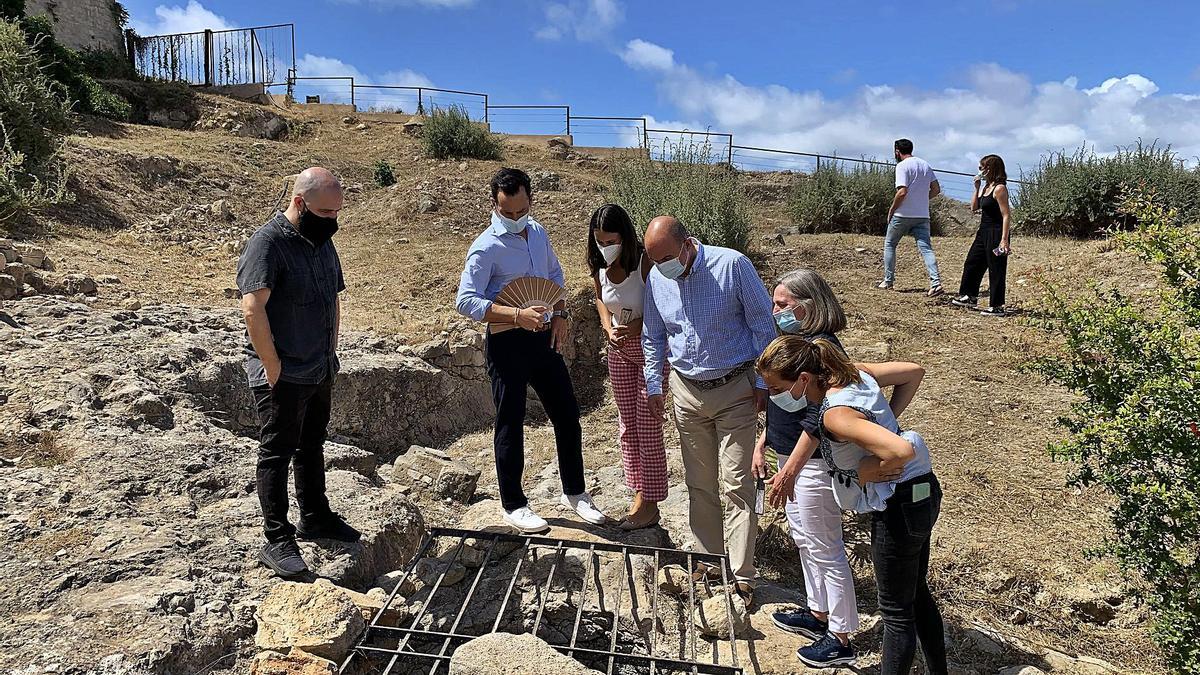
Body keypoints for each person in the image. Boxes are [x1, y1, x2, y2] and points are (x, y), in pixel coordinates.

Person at [757, 337, 946, 674]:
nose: (773, 396)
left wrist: (864, 470)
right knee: (916, 594)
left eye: (775, 388)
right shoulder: (853, 373)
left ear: (803, 379)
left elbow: (902, 452)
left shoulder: (835, 415)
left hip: (899, 504)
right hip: (923, 493)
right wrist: (881, 428)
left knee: (896, 612)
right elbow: (913, 373)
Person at [455, 167, 607, 534]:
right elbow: (465, 301)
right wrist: (516, 314)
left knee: (567, 413)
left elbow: (554, 276)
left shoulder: (538, 233)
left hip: (543, 338)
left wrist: (560, 313)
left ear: (531, 201)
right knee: (511, 421)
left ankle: (575, 491)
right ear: (494, 205)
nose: (515, 219)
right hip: (507, 342)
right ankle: (514, 504)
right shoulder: (485, 246)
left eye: (521, 211)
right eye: (507, 213)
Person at [642, 216, 777, 601]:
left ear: (688, 244)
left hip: (735, 388)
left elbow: (764, 327)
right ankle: (708, 558)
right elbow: (654, 334)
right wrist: (655, 384)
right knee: (699, 482)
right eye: (654, 261)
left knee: (737, 484)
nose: (663, 267)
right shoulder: (657, 278)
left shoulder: (731, 265)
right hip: (686, 391)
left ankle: (741, 574)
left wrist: (764, 383)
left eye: (667, 257)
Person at [237, 167, 360, 580]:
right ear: (299, 203)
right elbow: (253, 308)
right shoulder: (268, 243)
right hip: (284, 373)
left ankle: (315, 517)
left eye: (337, 213)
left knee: (312, 445)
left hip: (319, 366)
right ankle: (276, 538)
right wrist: (273, 367)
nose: (332, 221)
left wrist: (331, 352)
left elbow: (333, 299)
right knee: (277, 451)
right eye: (325, 212)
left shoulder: (322, 243)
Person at [753, 269, 862, 663]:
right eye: (774, 303)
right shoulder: (795, 344)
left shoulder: (824, 349)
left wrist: (790, 470)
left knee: (826, 547)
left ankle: (842, 636)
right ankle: (818, 613)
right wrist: (763, 442)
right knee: (805, 540)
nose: (776, 310)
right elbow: (782, 406)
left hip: (811, 465)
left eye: (783, 304)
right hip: (790, 459)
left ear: (810, 305)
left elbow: (817, 419)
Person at [586, 204, 668, 531]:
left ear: (625, 237)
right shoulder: (598, 266)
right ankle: (639, 492)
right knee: (626, 425)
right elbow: (600, 299)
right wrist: (607, 326)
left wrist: (639, 328)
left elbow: (664, 305)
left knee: (648, 424)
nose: (605, 247)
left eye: (610, 241)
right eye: (599, 241)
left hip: (649, 351)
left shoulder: (644, 264)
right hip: (618, 350)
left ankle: (651, 501)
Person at [880, 139, 943, 297]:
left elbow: (902, 192)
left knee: (890, 244)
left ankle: (888, 281)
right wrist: (922, 199)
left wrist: (892, 210)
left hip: (902, 214)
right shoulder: (925, 165)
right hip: (922, 215)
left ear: (897, 151)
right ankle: (935, 283)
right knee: (926, 249)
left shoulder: (901, 166)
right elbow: (936, 189)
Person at [952, 154, 1012, 316]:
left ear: (990, 168)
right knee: (972, 262)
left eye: (982, 167)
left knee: (996, 268)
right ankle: (969, 296)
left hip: (996, 232)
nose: (980, 170)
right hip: (983, 231)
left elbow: (1006, 215)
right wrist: (976, 188)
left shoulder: (1000, 189)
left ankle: (997, 306)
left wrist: (1004, 240)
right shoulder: (986, 188)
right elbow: (974, 208)